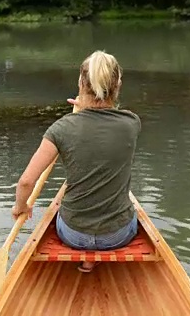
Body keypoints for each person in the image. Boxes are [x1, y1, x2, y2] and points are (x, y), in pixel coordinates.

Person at [11, 50, 141, 272]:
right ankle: (92, 260)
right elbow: (104, 126)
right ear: (118, 85)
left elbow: (25, 182)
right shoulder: (132, 123)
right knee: (131, 213)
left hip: (73, 235)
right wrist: (86, 108)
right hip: (117, 236)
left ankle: (88, 257)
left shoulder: (61, 128)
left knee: (64, 215)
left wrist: (20, 206)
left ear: (80, 82)